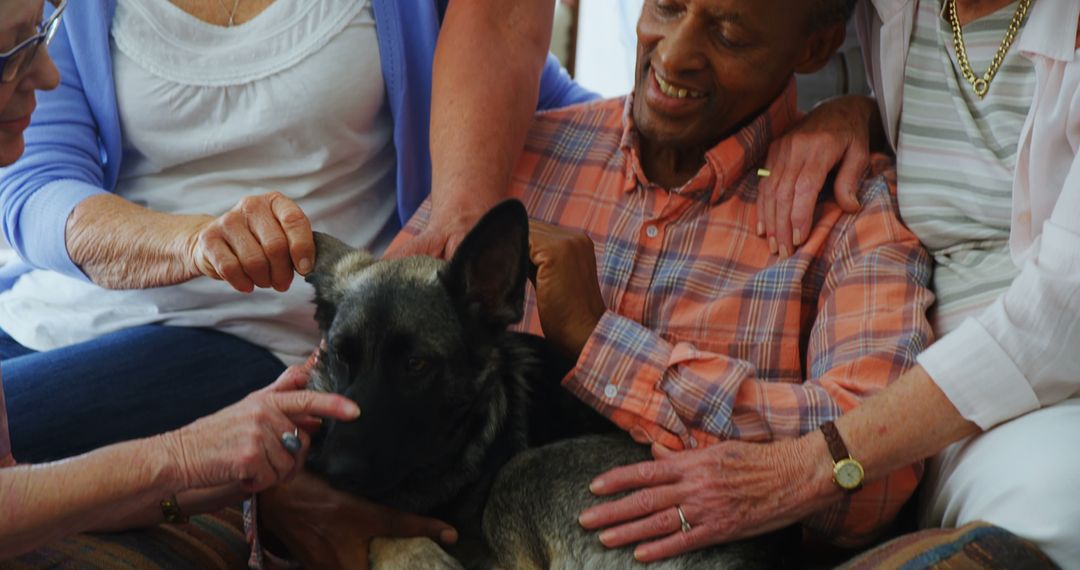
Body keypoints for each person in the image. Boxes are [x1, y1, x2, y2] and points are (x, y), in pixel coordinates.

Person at [364, 0, 934, 561]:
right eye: (666, 5)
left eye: (729, 35)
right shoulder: (513, 161)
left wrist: (598, 343)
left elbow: (873, 480)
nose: (676, 52)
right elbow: (348, 377)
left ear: (815, 47)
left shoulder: (850, 213)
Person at [0, 0, 595, 463]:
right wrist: (191, 241)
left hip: (250, 341)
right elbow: (36, 188)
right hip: (46, 312)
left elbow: (543, 88)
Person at [606, 0, 1080, 567]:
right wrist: (858, 112)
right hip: (932, 396)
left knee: (1060, 503)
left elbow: (1059, 317)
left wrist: (809, 466)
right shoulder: (888, 11)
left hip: (1045, 389)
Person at [0, 5, 362, 560]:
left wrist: (208, 475)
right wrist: (183, 457)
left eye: (41, 31)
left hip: (247, 338)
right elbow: (36, 186)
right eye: (13, 49)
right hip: (59, 306)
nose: (49, 75)